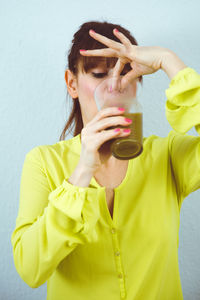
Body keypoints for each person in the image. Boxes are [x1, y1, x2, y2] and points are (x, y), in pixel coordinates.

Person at [11, 20, 200, 300]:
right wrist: (82, 171)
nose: (115, 87)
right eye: (99, 74)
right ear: (72, 83)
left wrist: (167, 60)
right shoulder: (43, 162)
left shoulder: (168, 156)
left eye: (126, 74)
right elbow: (30, 270)